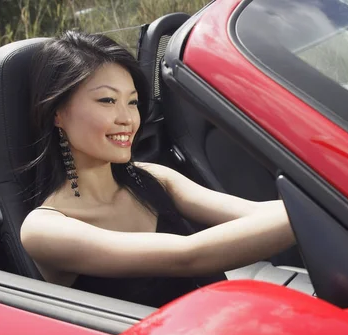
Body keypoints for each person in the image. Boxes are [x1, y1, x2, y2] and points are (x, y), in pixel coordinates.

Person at [20, 31, 297, 307]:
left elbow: (252, 212)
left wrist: (326, 200)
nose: (127, 119)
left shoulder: (150, 177)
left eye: (132, 102)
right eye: (107, 100)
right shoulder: (44, 229)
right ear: (56, 113)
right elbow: (188, 257)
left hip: (230, 323)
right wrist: (319, 212)